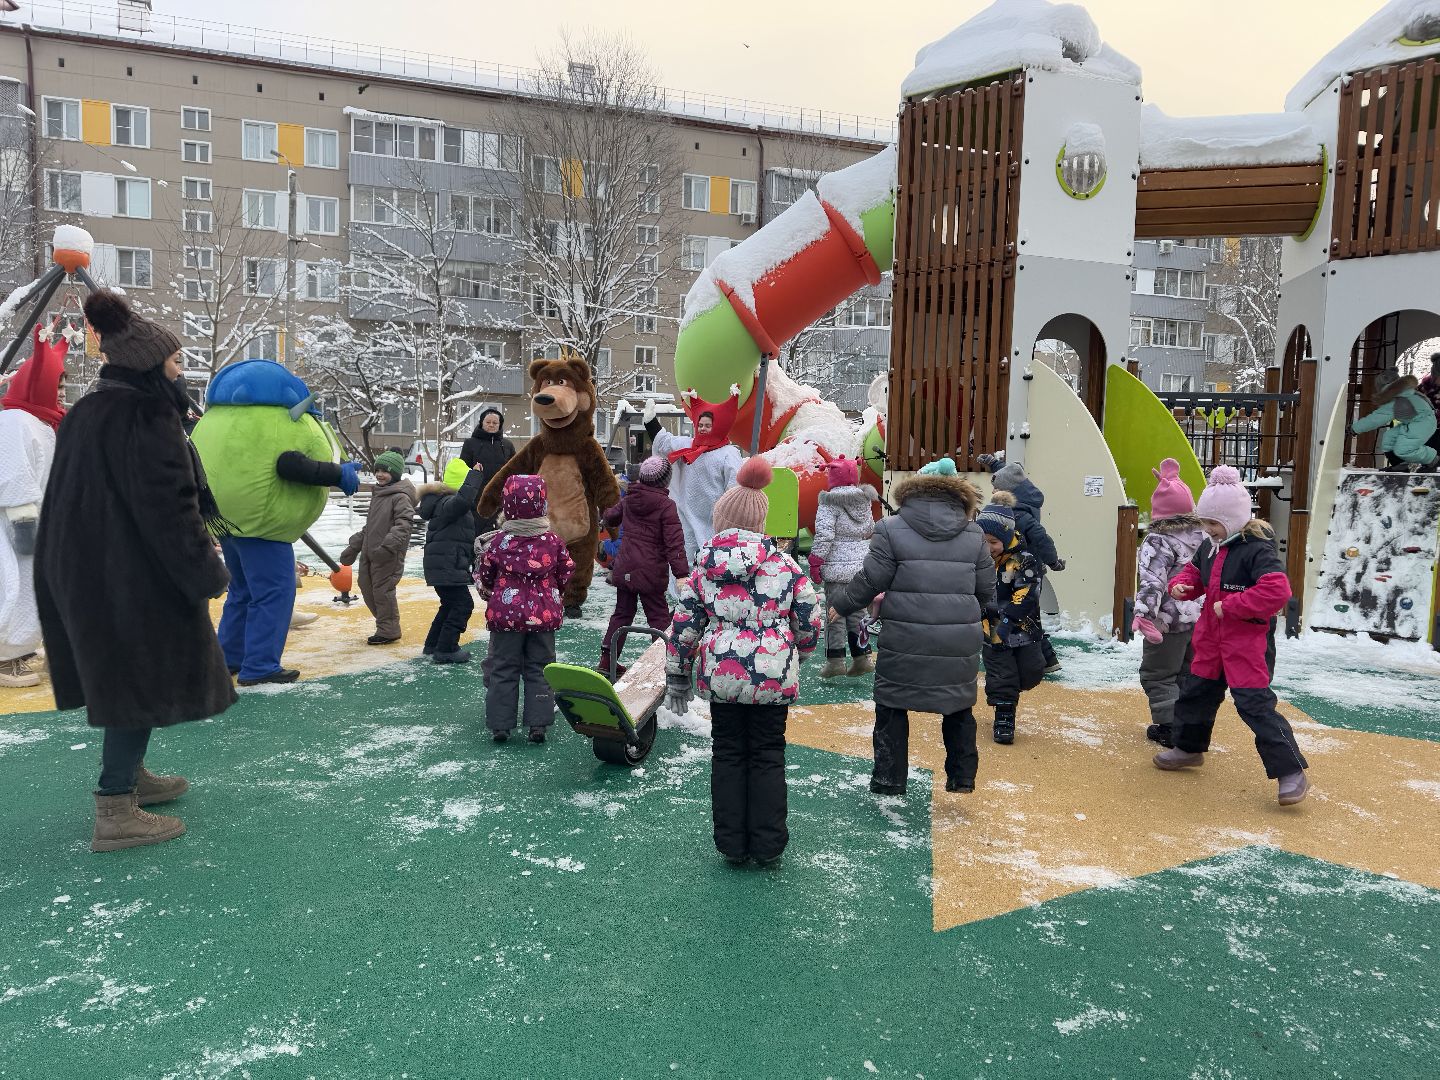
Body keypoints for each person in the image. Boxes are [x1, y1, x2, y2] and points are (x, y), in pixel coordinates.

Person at [35, 290, 236, 852]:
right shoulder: (147, 416)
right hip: (132, 577)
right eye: (174, 360)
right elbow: (169, 507)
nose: (180, 368)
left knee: (128, 677)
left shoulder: (91, 410)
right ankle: (115, 806)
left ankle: (131, 778)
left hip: (90, 570)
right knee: (135, 677)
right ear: (150, 364)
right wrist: (206, 572)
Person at [665, 457, 823, 864]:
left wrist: (678, 674)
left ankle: (732, 843)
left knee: (728, 753)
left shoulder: (704, 566)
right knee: (769, 753)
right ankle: (768, 844)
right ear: (760, 521)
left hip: (723, 677)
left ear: (721, 519)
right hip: (772, 674)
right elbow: (808, 617)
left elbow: (685, 624)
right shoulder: (785, 565)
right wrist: (797, 654)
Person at [830, 457, 994, 795]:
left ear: (911, 492)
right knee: (958, 704)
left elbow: (872, 578)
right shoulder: (974, 533)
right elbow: (986, 590)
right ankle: (962, 777)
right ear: (958, 495)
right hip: (957, 639)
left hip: (904, 635)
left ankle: (889, 779)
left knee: (892, 704)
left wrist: (842, 604)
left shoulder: (890, 528)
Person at [1154, 465, 1310, 806]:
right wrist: (1183, 586)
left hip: (1246, 644)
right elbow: (1196, 573)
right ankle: (1188, 748)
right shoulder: (1210, 546)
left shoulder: (1257, 549)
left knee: (1255, 706)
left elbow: (1277, 592)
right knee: (1194, 694)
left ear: (1235, 519)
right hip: (1211, 639)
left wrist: (1234, 604)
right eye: (1205, 522)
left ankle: (1291, 771)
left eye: (1214, 523)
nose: (1208, 530)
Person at [478, 474, 574, 743]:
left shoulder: (499, 542)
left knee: (503, 667)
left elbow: (485, 574)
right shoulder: (552, 541)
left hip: (505, 618)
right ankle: (538, 724)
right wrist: (555, 592)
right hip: (542, 616)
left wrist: (491, 591)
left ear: (507, 506)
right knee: (541, 668)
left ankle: (501, 725)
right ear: (542, 504)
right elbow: (566, 569)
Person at [0, 326, 66, 688]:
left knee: (30, 587)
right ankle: (6, 655)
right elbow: (12, 470)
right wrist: (24, 519)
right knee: (14, 585)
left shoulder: (40, 423)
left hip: (36, 523)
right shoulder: (15, 422)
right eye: (54, 386)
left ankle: (20, 649)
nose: (58, 394)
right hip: (16, 526)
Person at [1132, 459, 1206, 747]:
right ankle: (1190, 724)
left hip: (1167, 620)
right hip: (1196, 617)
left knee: (1158, 674)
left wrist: (1143, 615)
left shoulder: (1157, 541)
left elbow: (1153, 582)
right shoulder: (1202, 537)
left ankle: (1169, 727)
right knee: (1187, 672)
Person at [598, 455, 688, 678]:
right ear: (665, 482)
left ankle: (607, 660)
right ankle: (663, 661)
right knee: (658, 616)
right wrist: (681, 573)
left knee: (622, 613)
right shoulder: (666, 506)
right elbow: (674, 542)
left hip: (626, 566)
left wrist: (607, 515)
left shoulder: (629, 499)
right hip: (650, 571)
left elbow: (610, 516)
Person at [977, 495, 1045, 746]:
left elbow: (1027, 593)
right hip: (992, 629)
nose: (988, 547)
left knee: (1031, 674)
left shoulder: (1024, 559)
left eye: (993, 542)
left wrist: (1008, 621)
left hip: (1023, 627)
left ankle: (1013, 691)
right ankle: (1004, 715)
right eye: (983, 542)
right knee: (1002, 676)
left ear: (1005, 538)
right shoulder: (980, 561)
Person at [985, 459, 1065, 672]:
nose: (993, 491)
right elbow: (1009, 473)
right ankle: (1046, 659)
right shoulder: (1022, 498)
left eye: (997, 488)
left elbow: (1042, 538)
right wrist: (994, 463)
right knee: (1024, 613)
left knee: (1026, 614)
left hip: (1025, 571)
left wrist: (1053, 561)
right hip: (1013, 570)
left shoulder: (1019, 514)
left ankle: (1044, 659)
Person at [643, 397, 742, 567]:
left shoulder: (728, 453)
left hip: (713, 517)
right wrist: (651, 422)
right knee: (684, 556)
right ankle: (683, 590)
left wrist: (728, 515)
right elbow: (665, 443)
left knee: (712, 560)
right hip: (686, 513)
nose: (703, 429)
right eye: (700, 425)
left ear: (718, 426)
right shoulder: (688, 445)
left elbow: (734, 485)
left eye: (708, 425)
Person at [809, 455, 878, 679]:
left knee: (834, 614)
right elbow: (869, 529)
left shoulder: (829, 503)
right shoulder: (864, 501)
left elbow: (825, 535)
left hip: (836, 568)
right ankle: (862, 657)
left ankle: (835, 661)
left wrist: (816, 560)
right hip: (860, 566)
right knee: (857, 612)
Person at [340, 451, 416, 645]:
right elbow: (370, 528)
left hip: (387, 554)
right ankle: (385, 624)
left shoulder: (400, 497)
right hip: (369, 553)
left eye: (385, 471)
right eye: (378, 470)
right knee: (366, 587)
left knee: (382, 592)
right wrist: (354, 547)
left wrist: (388, 547)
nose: (380, 474)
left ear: (396, 474)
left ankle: (388, 629)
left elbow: (404, 524)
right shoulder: (379, 495)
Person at [417, 462, 487, 664]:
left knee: (449, 605)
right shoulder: (449, 504)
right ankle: (446, 648)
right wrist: (474, 477)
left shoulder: (443, 504)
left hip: (445, 566)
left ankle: (433, 644)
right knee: (463, 605)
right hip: (447, 566)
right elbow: (463, 500)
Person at [1349, 367, 1438, 470]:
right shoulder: (1404, 393)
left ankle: (1434, 460)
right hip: (1417, 422)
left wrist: (1354, 428)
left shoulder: (1397, 399)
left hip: (1423, 423)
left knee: (1404, 449)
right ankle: (1401, 465)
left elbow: (1376, 419)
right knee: (1390, 438)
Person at [459, 406, 516, 533]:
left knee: (500, 535)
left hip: (501, 498)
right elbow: (462, 468)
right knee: (477, 533)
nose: (491, 425)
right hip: (477, 498)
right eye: (488, 422)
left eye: (495, 423)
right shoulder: (470, 443)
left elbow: (515, 470)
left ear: (500, 425)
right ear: (482, 423)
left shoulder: (507, 445)